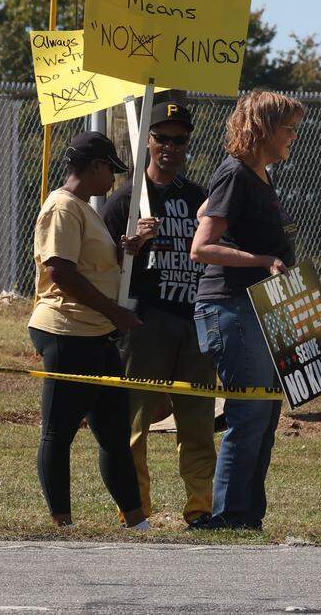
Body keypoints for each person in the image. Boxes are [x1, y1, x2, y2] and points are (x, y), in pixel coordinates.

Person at [189, 90, 304, 530]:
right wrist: (262, 260)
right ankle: (228, 515)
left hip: (262, 307)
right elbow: (201, 248)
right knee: (249, 412)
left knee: (265, 414)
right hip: (232, 306)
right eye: (289, 128)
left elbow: (207, 210)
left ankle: (247, 516)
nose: (294, 137)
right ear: (264, 129)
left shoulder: (257, 176)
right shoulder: (236, 172)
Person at [101, 100, 215, 526]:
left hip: (194, 321)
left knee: (198, 422)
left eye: (179, 140)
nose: (170, 147)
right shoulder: (125, 202)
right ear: (147, 141)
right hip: (144, 323)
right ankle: (135, 509)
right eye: (162, 138)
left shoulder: (200, 198)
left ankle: (201, 508)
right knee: (135, 423)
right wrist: (129, 247)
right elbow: (100, 268)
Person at [28, 131, 147, 529]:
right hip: (66, 331)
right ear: (95, 166)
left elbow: (91, 266)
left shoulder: (84, 208)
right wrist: (116, 312)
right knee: (58, 432)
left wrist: (124, 252)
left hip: (96, 334)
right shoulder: (62, 207)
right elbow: (61, 273)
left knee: (113, 432)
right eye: (110, 170)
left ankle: (137, 524)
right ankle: (63, 525)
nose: (112, 179)